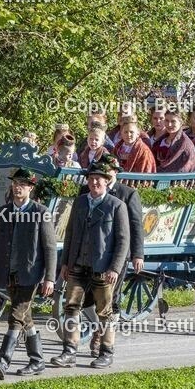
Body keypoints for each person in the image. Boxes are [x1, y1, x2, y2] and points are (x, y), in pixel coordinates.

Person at [51, 158, 130, 369]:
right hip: (77, 265)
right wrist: (66, 263)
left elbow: (123, 240)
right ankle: (69, 351)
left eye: (99, 180)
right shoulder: (80, 202)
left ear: (106, 182)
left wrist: (114, 268)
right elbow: (70, 234)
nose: (95, 183)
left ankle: (106, 352)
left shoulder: (117, 206)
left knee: (105, 311)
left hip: (103, 268)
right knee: (71, 307)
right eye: (92, 179)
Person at [0, 168, 57, 379]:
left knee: (15, 317)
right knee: (25, 318)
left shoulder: (41, 212)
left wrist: (49, 277)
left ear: (30, 188)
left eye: (22, 184)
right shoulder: (4, 212)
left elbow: (50, 248)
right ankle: (37, 360)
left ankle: (2, 361)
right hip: (9, 274)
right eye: (15, 183)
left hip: (31, 275)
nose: (17, 187)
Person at [79, 153, 145, 358]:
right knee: (86, 299)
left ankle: (103, 339)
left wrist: (137, 254)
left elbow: (135, 226)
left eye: (107, 171)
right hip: (91, 254)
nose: (102, 176)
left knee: (109, 299)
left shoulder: (127, 194)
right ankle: (97, 326)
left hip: (117, 255)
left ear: (114, 173)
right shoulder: (86, 191)